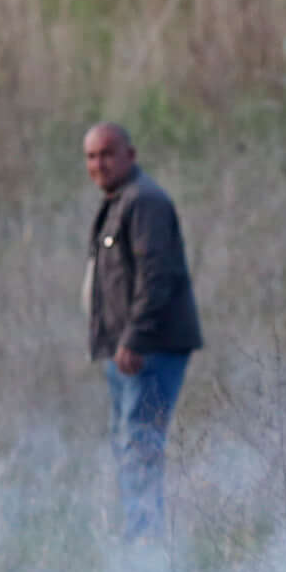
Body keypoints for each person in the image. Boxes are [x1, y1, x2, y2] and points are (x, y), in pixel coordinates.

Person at [81, 121, 204, 543]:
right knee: (128, 444)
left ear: (130, 155)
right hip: (126, 350)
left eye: (107, 154)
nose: (99, 164)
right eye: (92, 156)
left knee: (140, 446)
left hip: (150, 349)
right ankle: (138, 534)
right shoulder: (118, 201)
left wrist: (134, 337)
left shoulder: (145, 201)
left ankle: (146, 545)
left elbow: (157, 276)